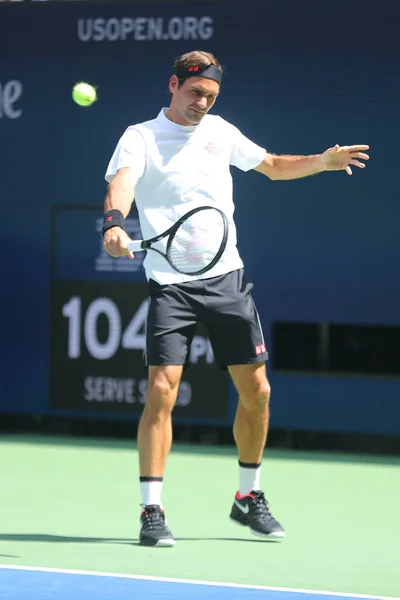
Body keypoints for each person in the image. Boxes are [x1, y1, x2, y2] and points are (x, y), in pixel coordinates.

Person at [102, 50, 369, 547]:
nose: (202, 102)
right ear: (173, 85)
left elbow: (270, 165)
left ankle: (248, 498)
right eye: (195, 92)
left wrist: (322, 163)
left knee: (259, 392)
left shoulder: (221, 132)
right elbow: (123, 184)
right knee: (161, 390)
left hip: (227, 280)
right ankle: (151, 509)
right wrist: (115, 223)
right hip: (171, 285)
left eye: (211, 95)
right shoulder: (140, 137)